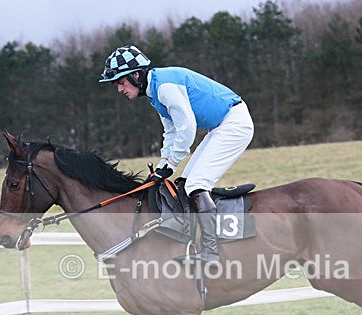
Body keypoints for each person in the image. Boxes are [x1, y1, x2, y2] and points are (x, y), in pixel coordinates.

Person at [99, 45, 254, 264]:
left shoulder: (164, 87)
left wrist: (172, 161)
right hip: (221, 126)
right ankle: (196, 243)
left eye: (121, 83)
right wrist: (166, 166)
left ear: (135, 75)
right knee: (185, 182)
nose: (119, 89)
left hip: (234, 123)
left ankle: (211, 252)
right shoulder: (155, 92)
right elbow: (171, 132)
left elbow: (187, 128)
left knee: (196, 185)